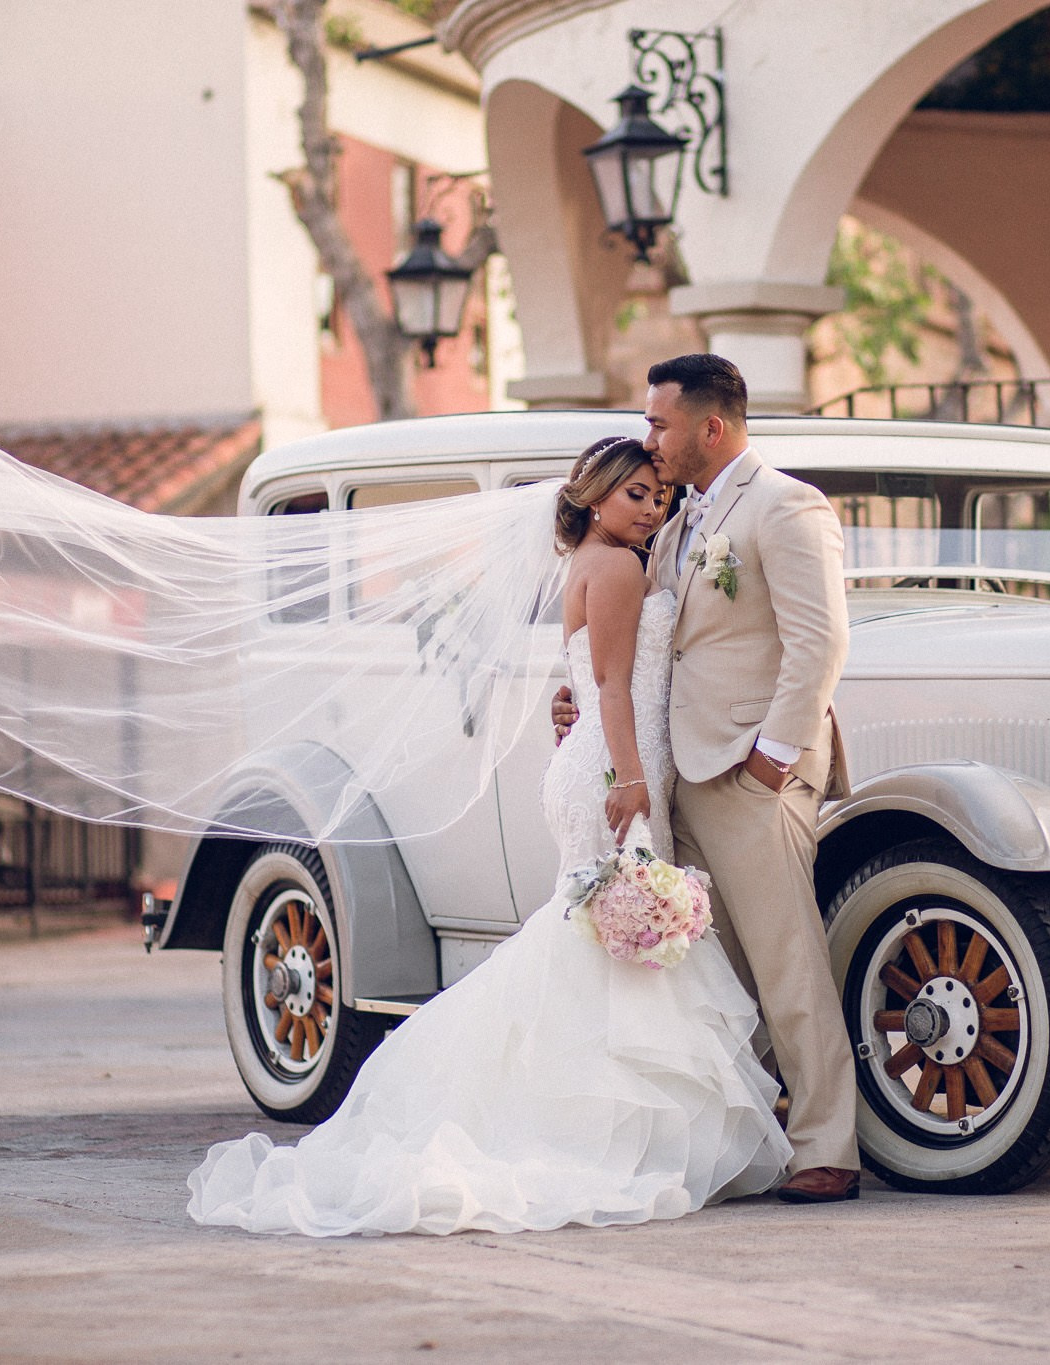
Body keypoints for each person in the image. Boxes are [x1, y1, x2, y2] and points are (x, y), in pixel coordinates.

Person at [185, 436, 792, 1235]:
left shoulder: (593, 561)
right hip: (615, 770)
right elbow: (611, 684)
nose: (652, 508)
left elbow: (591, 677)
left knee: (597, 943)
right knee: (610, 944)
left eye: (658, 496)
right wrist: (631, 779)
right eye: (635, 494)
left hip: (599, 760)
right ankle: (606, 1133)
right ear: (595, 498)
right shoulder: (617, 567)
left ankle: (595, 1119)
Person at [553, 354, 860, 1203]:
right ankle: (744, 1135)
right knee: (712, 974)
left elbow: (820, 642)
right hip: (677, 771)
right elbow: (641, 645)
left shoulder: (784, 506)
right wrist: (575, 694)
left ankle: (828, 1145)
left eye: (660, 423)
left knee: (786, 959)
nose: (650, 438)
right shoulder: (679, 518)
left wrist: (773, 756)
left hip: (750, 769)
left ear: (710, 427)